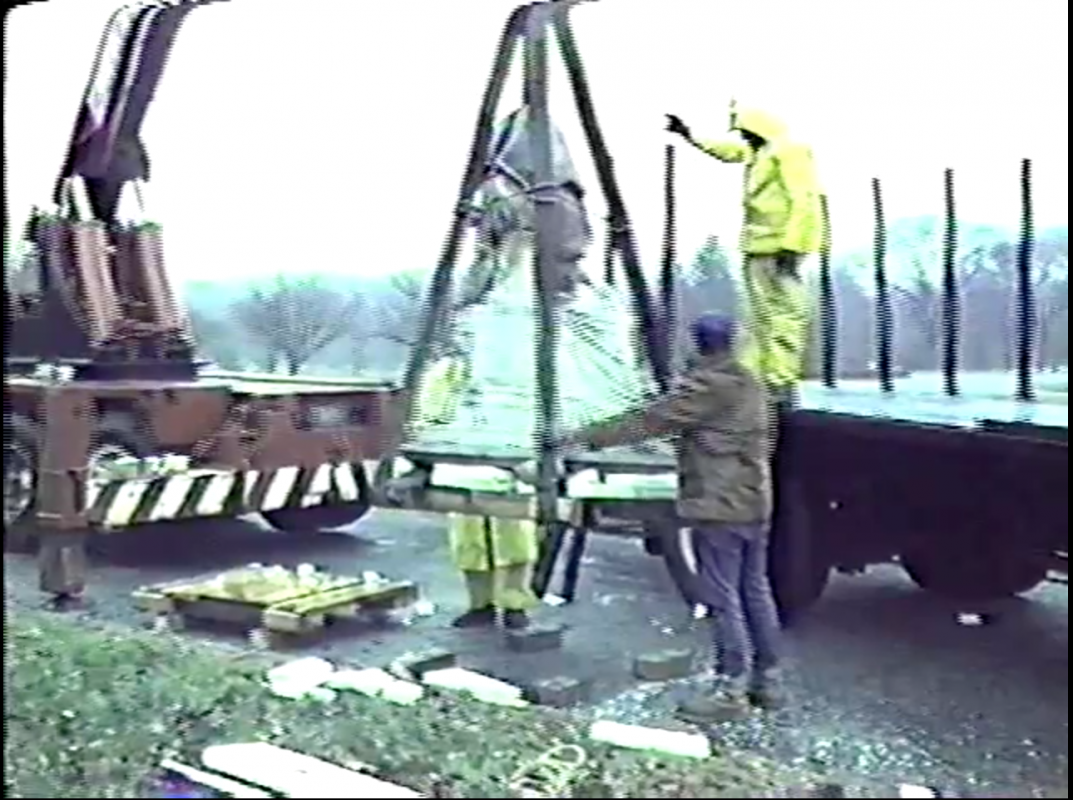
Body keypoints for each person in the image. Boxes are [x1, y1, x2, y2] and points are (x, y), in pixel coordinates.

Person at [557, 313, 784, 721]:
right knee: (755, 589)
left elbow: (650, 421)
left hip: (718, 505)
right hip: (754, 500)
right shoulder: (752, 384)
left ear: (699, 344)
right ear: (730, 342)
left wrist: (580, 436)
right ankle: (767, 680)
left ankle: (730, 688)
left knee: (721, 596)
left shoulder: (707, 385)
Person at [666, 103, 823, 401]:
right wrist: (690, 136)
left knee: (786, 315)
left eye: (746, 133)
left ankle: (780, 378)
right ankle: (760, 376)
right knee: (760, 316)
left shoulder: (790, 151)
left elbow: (804, 199)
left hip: (780, 245)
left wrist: (793, 244)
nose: (744, 140)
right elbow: (727, 152)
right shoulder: (758, 152)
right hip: (758, 244)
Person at [412, 349, 540, 632]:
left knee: (515, 540)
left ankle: (514, 605)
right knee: (470, 541)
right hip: (464, 464)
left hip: (511, 462)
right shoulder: (451, 370)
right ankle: (479, 605)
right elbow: (429, 414)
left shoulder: (522, 365)